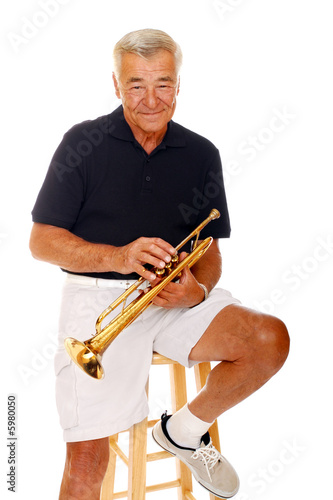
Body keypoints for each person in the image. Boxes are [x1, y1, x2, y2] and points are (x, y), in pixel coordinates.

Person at [29, 28, 290, 499]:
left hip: (173, 298)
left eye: (163, 84)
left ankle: (184, 430)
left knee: (269, 339)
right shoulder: (82, 143)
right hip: (99, 298)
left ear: (178, 85)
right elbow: (41, 242)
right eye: (136, 85)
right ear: (115, 85)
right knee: (87, 460)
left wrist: (199, 290)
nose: (151, 99)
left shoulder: (201, 154)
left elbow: (209, 251)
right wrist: (119, 256)